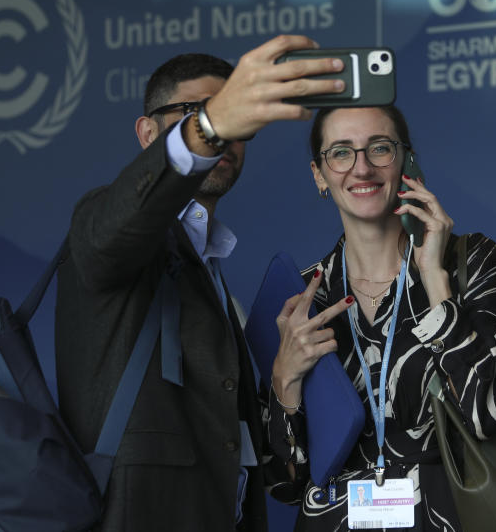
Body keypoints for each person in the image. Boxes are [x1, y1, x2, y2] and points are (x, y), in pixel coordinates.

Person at [55, 35, 347, 532]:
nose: (225, 135)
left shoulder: (209, 264)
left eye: (235, 119)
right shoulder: (106, 221)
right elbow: (109, 234)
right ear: (149, 134)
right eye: (196, 111)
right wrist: (207, 126)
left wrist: (283, 378)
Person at [266, 105, 496, 531]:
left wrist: (435, 281)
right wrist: (286, 381)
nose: (362, 168)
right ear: (319, 174)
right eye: (341, 153)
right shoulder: (300, 301)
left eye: (380, 148)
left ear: (407, 161)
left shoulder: (470, 263)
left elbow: (490, 415)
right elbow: (283, 485)